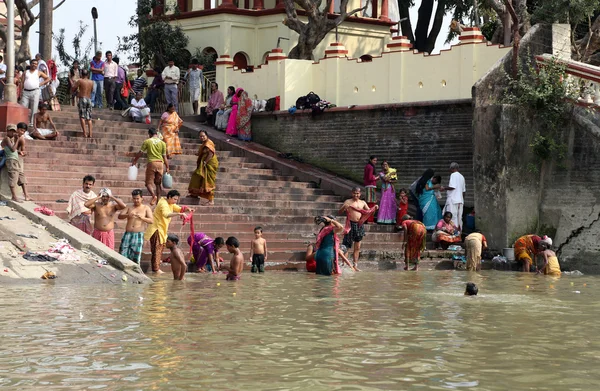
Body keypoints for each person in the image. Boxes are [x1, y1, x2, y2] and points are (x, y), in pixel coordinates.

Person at [144, 190, 192, 274]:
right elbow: (166, 214)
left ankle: (156, 266)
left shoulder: (170, 203)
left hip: (162, 229)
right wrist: (180, 214)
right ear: (169, 197)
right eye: (174, 199)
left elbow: (178, 208)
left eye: (176, 199)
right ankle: (156, 269)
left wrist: (187, 209)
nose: (175, 201)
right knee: (157, 248)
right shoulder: (163, 203)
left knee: (160, 247)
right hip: (156, 229)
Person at [339, 187, 377, 270]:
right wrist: (344, 207)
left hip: (359, 225)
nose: (356, 195)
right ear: (352, 193)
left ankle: (355, 265)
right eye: (354, 193)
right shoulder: (348, 201)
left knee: (357, 247)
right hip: (350, 225)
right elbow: (340, 212)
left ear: (360, 194)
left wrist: (375, 209)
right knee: (346, 246)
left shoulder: (363, 203)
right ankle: (343, 264)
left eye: (357, 193)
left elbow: (369, 212)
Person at [131, 127, 169, 206]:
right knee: (158, 184)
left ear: (149, 134)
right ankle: (158, 202)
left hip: (152, 163)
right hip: (160, 164)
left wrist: (135, 161)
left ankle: (153, 196)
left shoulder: (147, 141)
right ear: (156, 134)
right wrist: (167, 167)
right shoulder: (163, 143)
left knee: (148, 183)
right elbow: (165, 156)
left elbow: (140, 152)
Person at [118, 189, 153, 264]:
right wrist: (128, 215)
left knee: (136, 257)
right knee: (123, 254)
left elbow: (151, 221)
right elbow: (120, 216)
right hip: (128, 234)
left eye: (138, 198)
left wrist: (142, 218)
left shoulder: (146, 208)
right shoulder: (129, 206)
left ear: (142, 198)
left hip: (138, 235)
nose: (136, 200)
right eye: (134, 198)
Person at [1, 124, 31, 202]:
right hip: (10, 160)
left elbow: (15, 150)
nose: (12, 133)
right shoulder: (7, 138)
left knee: (20, 175)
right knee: (13, 177)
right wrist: (17, 140)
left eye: (13, 131)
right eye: (10, 131)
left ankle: (26, 195)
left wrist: (22, 152)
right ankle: (14, 196)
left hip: (15, 159)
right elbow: (12, 149)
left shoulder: (16, 138)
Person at [188, 130, 219, 205]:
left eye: (203, 136)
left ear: (207, 136)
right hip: (204, 163)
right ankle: (194, 194)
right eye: (200, 136)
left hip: (209, 164)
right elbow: (203, 152)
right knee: (197, 176)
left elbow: (211, 154)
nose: (202, 137)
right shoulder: (204, 143)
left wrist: (205, 162)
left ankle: (211, 200)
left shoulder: (209, 143)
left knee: (208, 182)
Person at [19, 58, 50, 126]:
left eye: (36, 64)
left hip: (35, 91)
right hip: (25, 92)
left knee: (34, 108)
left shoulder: (39, 72)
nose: (34, 65)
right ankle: (23, 121)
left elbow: (48, 78)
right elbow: (22, 82)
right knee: (23, 107)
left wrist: (41, 83)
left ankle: (32, 123)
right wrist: (21, 92)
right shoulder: (25, 72)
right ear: (30, 64)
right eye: (33, 63)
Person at [443, 162, 466, 231]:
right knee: (459, 218)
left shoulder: (453, 175)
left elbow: (452, 187)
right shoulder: (462, 177)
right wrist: (461, 199)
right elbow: (463, 191)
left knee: (451, 217)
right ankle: (459, 233)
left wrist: (444, 188)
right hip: (460, 200)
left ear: (452, 168)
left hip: (453, 200)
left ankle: (452, 232)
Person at [74, 69, 94, 137]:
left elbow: (74, 88)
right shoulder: (91, 82)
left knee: (82, 117)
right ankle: (90, 134)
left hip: (82, 98)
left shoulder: (80, 81)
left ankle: (85, 133)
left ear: (81, 74)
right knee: (89, 118)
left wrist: (77, 93)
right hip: (89, 99)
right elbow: (91, 90)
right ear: (88, 75)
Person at [377, 160, 397, 225]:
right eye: (384, 165)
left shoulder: (391, 172)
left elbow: (395, 180)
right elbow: (385, 179)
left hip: (391, 189)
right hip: (385, 189)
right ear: (382, 166)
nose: (385, 166)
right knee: (384, 203)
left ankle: (391, 219)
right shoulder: (381, 173)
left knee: (391, 203)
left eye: (386, 165)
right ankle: (382, 219)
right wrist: (390, 174)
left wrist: (390, 179)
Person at [363, 156, 378, 224]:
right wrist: (376, 178)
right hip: (371, 185)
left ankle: (368, 219)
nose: (375, 162)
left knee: (369, 202)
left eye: (376, 160)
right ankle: (370, 220)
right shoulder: (371, 167)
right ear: (370, 160)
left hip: (367, 185)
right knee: (371, 203)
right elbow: (370, 178)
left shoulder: (367, 166)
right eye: (374, 160)